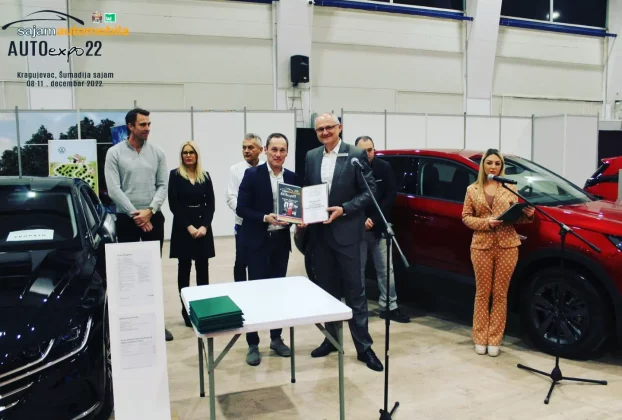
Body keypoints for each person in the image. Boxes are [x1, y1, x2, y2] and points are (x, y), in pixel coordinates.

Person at [303, 113, 383, 372]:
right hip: (320, 236)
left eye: (329, 127)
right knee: (327, 293)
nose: (325, 132)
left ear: (339, 128)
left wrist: (345, 209)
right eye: (320, 129)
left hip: (348, 235)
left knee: (355, 293)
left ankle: (364, 348)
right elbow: (308, 190)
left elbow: (370, 191)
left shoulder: (356, 154)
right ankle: (331, 340)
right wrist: (303, 215)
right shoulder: (311, 156)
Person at [104, 108, 174, 342]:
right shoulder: (114, 153)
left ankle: (155, 322)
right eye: (142, 124)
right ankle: (133, 323)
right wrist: (136, 215)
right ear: (130, 126)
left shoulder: (158, 153)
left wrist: (150, 211)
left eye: (149, 124)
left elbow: (162, 185)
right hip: (127, 220)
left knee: (151, 273)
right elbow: (114, 189)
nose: (147, 128)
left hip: (153, 217)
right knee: (130, 275)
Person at [462, 148, 535, 357]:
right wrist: (486, 223)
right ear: (483, 165)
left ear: (501, 166)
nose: (493, 167)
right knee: (482, 293)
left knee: (501, 294)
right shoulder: (472, 189)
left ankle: (495, 339)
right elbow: (466, 217)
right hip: (481, 245)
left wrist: (527, 215)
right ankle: (480, 337)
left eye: (497, 163)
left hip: (508, 245)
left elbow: (515, 217)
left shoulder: (510, 187)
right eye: (489, 163)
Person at [236, 133, 300, 366]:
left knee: (277, 294)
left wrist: (298, 220)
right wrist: (265, 217)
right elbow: (241, 208)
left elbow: (296, 210)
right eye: (274, 149)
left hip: (280, 243)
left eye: (282, 150)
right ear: (265, 150)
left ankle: (275, 338)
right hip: (257, 243)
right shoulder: (252, 175)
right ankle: (253, 343)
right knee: (255, 294)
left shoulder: (292, 177)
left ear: (287, 152)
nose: (278, 154)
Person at [355, 136, 411, 323]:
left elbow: (389, 196)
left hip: (380, 227)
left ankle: (389, 307)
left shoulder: (384, 167)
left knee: (386, 271)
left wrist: (374, 219)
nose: (367, 154)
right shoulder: (350, 169)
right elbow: (348, 197)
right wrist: (362, 219)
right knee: (357, 271)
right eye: (363, 151)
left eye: (370, 150)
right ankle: (358, 308)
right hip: (358, 228)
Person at [168, 141, 216, 327]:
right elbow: (174, 204)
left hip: (203, 227)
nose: (188, 155)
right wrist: (188, 226)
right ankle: (186, 311)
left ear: (197, 155)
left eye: (191, 152)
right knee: (184, 269)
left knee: (203, 269)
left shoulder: (205, 176)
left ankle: (203, 308)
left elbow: (211, 204)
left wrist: (205, 226)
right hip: (183, 227)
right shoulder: (175, 175)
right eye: (185, 152)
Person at [226, 134, 264, 282]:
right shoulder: (235, 169)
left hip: (263, 223)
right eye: (244, 147)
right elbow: (231, 197)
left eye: (250, 147)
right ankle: (239, 291)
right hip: (243, 223)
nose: (246, 151)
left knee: (259, 261)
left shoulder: (266, 168)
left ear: (260, 150)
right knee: (241, 261)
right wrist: (246, 213)